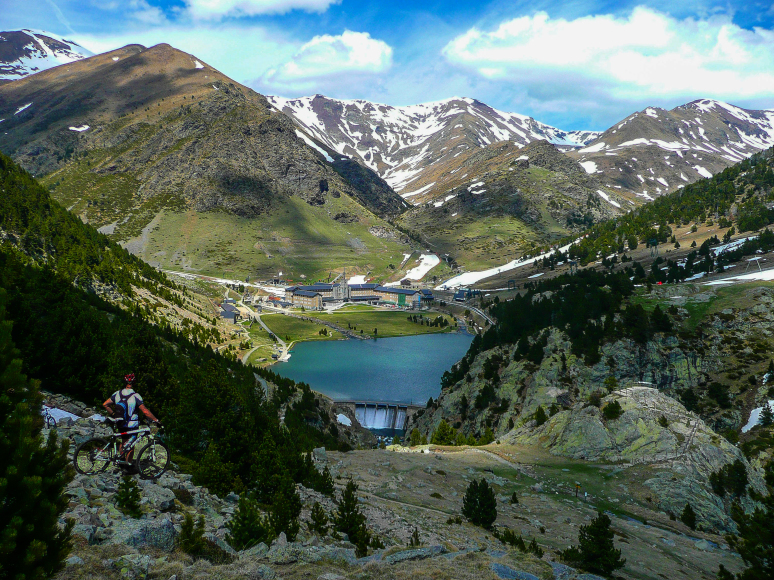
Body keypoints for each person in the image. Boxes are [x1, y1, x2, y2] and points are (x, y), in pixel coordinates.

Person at [102, 373, 160, 464]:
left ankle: (120, 461)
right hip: (132, 424)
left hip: (120, 422)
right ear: (135, 382)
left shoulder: (117, 393)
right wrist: (156, 420)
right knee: (131, 445)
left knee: (124, 441)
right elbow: (145, 411)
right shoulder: (136, 396)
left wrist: (113, 414)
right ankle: (127, 465)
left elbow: (105, 404)